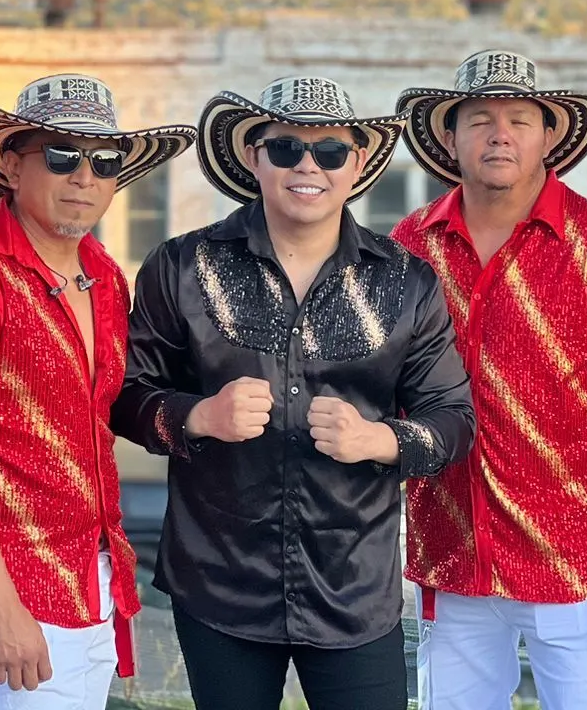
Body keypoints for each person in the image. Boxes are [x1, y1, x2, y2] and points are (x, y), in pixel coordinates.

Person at [113, 76, 474, 710]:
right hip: (219, 583)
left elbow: (454, 419)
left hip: (353, 589)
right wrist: (198, 416)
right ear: (255, 156)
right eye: (286, 148)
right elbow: (126, 397)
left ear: (357, 163)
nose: (308, 166)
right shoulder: (180, 267)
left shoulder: (408, 282)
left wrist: (380, 439)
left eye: (330, 150)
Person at [0, 73, 196, 708]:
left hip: (94, 573)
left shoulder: (105, 277)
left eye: (104, 160)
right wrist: (0, 605)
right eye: (62, 156)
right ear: (12, 166)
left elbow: (108, 416)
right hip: (5, 580)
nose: (84, 177)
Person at [392, 49, 587, 710]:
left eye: (519, 119)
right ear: (449, 137)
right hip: (451, 551)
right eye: (479, 120)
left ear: (547, 135)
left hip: (573, 558)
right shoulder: (411, 245)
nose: (500, 134)